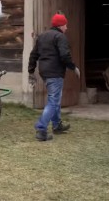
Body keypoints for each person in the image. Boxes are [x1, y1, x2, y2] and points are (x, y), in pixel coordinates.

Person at [28, 12, 80, 141]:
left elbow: (33, 55)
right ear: (61, 25)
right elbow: (64, 55)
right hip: (55, 72)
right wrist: (73, 67)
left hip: (44, 72)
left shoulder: (42, 37)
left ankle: (57, 125)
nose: (67, 28)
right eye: (65, 25)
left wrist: (31, 71)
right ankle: (41, 129)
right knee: (53, 100)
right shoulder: (60, 37)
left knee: (55, 98)